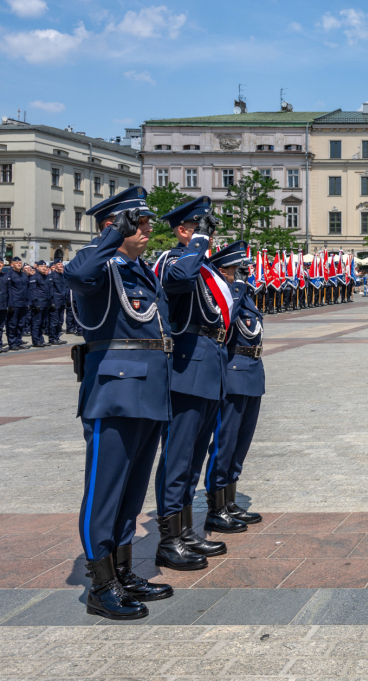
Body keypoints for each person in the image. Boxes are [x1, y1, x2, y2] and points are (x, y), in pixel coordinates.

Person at [65, 186, 173, 619]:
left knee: (131, 492)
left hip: (148, 391)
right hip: (115, 393)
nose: (147, 229)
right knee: (104, 492)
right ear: (115, 227)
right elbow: (76, 274)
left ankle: (123, 571)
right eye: (138, 223)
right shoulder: (102, 266)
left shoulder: (136, 269)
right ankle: (100, 585)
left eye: (145, 222)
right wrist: (110, 236)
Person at [153, 196, 236, 573]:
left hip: (208, 364)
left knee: (194, 457)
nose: (210, 236)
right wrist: (196, 245)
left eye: (210, 230)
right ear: (183, 230)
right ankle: (169, 539)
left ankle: (185, 531)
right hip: (188, 367)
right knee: (178, 457)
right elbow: (179, 282)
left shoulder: (202, 267)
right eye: (202, 229)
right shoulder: (174, 260)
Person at [204, 242, 265, 526]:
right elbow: (223, 324)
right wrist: (236, 289)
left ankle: (230, 500)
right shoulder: (223, 297)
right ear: (221, 271)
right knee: (224, 442)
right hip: (232, 372)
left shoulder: (244, 295)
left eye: (243, 269)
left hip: (251, 372)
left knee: (241, 443)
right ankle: (216, 508)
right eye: (235, 269)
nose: (242, 273)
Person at [5, 257, 28, 350]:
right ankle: (12, 343)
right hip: (14, 303)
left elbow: (28, 289)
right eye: (16, 263)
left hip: (23, 303)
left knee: (21, 324)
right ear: (12, 264)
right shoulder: (9, 275)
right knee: (12, 324)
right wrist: (10, 304)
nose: (19, 264)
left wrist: (29, 302)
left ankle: (18, 342)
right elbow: (8, 290)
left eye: (20, 262)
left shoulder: (24, 275)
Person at [48, 258, 68, 345]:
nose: (61, 265)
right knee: (54, 321)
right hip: (55, 302)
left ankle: (57, 337)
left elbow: (65, 288)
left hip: (62, 301)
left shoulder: (63, 276)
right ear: (55, 266)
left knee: (60, 321)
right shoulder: (52, 276)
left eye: (61, 264)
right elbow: (50, 290)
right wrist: (51, 301)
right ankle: (52, 338)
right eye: (59, 264)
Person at [0, 258, 8, 352]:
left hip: (2, 305)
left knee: (1, 327)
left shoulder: (4, 277)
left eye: (1, 263)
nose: (0, 265)